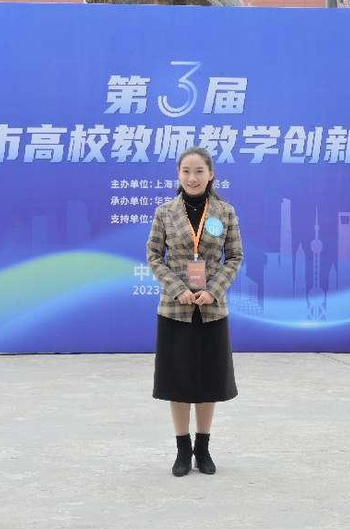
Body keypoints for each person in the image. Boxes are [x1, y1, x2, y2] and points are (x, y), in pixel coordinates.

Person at [146, 146, 244, 477]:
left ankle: (203, 448)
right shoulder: (165, 212)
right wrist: (179, 289)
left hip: (212, 309)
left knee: (208, 381)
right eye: (186, 171)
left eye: (199, 171)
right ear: (178, 174)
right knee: (178, 382)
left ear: (211, 174)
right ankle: (181, 449)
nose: (192, 177)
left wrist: (213, 290)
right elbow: (153, 256)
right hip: (175, 309)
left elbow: (235, 256)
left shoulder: (225, 212)